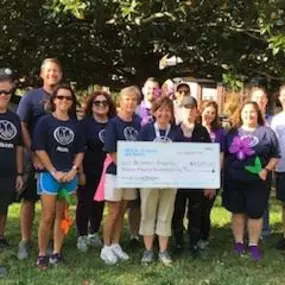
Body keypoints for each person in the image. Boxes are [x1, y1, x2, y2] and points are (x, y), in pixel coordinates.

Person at [32, 85, 85, 269]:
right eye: (60, 97)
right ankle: (41, 254)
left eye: (68, 98)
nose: (64, 101)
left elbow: (79, 151)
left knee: (62, 215)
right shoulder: (44, 122)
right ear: (54, 100)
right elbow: (39, 149)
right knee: (47, 216)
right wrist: (54, 171)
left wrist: (73, 170)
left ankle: (56, 252)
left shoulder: (75, 125)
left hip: (69, 177)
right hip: (49, 175)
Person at [16, 58, 63, 260]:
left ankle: (53, 240)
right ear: (42, 74)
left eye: (56, 71)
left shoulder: (64, 96)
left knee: (56, 202)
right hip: (33, 157)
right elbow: (22, 125)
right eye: (49, 70)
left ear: (60, 74)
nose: (52, 74)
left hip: (58, 158)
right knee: (29, 200)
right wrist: (33, 152)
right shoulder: (30, 97)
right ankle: (25, 241)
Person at [223, 101, 280, 261]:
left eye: (252, 112)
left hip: (258, 181)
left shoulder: (267, 133)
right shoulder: (232, 132)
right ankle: (239, 243)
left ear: (258, 114)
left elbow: (275, 155)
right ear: (240, 114)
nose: (249, 115)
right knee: (238, 211)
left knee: (255, 213)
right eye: (246, 112)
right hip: (234, 180)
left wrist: (267, 169)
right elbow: (225, 155)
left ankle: (254, 245)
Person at [138, 96, 183, 265]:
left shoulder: (176, 132)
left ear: (171, 113)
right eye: (160, 110)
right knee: (147, 213)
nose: (163, 113)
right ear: (154, 112)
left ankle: (163, 251)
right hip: (149, 180)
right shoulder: (146, 130)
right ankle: (148, 250)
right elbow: (138, 153)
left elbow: (181, 155)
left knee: (166, 213)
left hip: (170, 180)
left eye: (167, 110)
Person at [100, 86, 141, 265]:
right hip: (116, 174)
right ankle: (106, 246)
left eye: (133, 99)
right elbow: (111, 151)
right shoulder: (113, 123)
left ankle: (116, 244)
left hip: (132, 175)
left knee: (123, 210)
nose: (130, 102)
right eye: (127, 99)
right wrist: (126, 168)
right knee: (113, 211)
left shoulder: (139, 123)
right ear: (120, 101)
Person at [172, 97, 214, 257]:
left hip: (197, 181)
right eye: (185, 108)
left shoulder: (202, 131)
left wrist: (210, 183)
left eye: (192, 108)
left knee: (196, 213)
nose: (189, 111)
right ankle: (178, 243)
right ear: (180, 110)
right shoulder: (173, 131)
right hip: (177, 181)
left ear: (197, 111)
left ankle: (194, 243)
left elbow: (209, 158)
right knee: (177, 211)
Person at [76, 91, 116, 252]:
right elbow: (80, 150)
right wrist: (81, 172)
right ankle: (82, 235)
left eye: (104, 103)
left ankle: (94, 232)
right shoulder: (84, 124)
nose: (101, 106)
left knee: (99, 203)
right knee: (84, 202)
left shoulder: (113, 123)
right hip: (88, 169)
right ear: (91, 106)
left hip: (106, 171)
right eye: (97, 103)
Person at [0, 68, 24, 247]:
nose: (4, 95)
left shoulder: (14, 118)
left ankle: (0, 237)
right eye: (0, 91)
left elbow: (18, 147)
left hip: (8, 171)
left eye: (7, 92)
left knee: (3, 206)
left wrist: (20, 173)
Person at [199, 100, 225, 248]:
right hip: (194, 177)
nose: (209, 115)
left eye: (213, 113)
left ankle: (204, 238)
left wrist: (213, 180)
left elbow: (220, 156)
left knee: (205, 209)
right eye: (207, 111)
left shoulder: (219, 133)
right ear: (201, 111)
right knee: (194, 209)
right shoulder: (193, 129)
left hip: (211, 177)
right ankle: (192, 236)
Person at [250, 87, 272, 238]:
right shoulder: (246, 118)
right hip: (248, 166)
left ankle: (264, 230)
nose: (260, 100)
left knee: (264, 198)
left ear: (266, 101)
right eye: (256, 98)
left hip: (267, 165)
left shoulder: (272, 121)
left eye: (262, 98)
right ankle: (248, 229)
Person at [271, 85, 285, 250]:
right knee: (284, 203)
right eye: (283, 96)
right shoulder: (276, 120)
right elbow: (273, 146)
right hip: (282, 168)